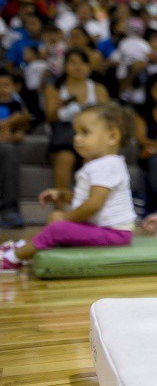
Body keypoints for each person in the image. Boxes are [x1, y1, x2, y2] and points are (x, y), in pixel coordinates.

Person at [2, 102, 135, 272]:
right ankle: (23, 248)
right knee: (56, 218)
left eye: (85, 132)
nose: (76, 138)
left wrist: (66, 218)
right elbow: (87, 199)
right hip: (102, 228)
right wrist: (63, 194)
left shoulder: (106, 165)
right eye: (76, 132)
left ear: (112, 137)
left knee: (58, 226)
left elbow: (94, 204)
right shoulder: (102, 164)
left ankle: (12, 259)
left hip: (114, 233)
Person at [44, 48, 111, 198]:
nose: (78, 67)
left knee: (93, 158)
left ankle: (91, 206)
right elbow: (49, 118)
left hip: (91, 140)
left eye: (82, 63)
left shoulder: (98, 89)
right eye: (73, 63)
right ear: (65, 66)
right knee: (64, 158)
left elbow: (108, 118)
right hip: (63, 141)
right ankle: (60, 208)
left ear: (89, 66)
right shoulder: (54, 88)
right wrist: (57, 106)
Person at [0, 69, 30, 228]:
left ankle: (9, 210)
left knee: (8, 150)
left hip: (6, 143)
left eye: (6, 85)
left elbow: (22, 125)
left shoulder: (15, 104)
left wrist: (12, 130)